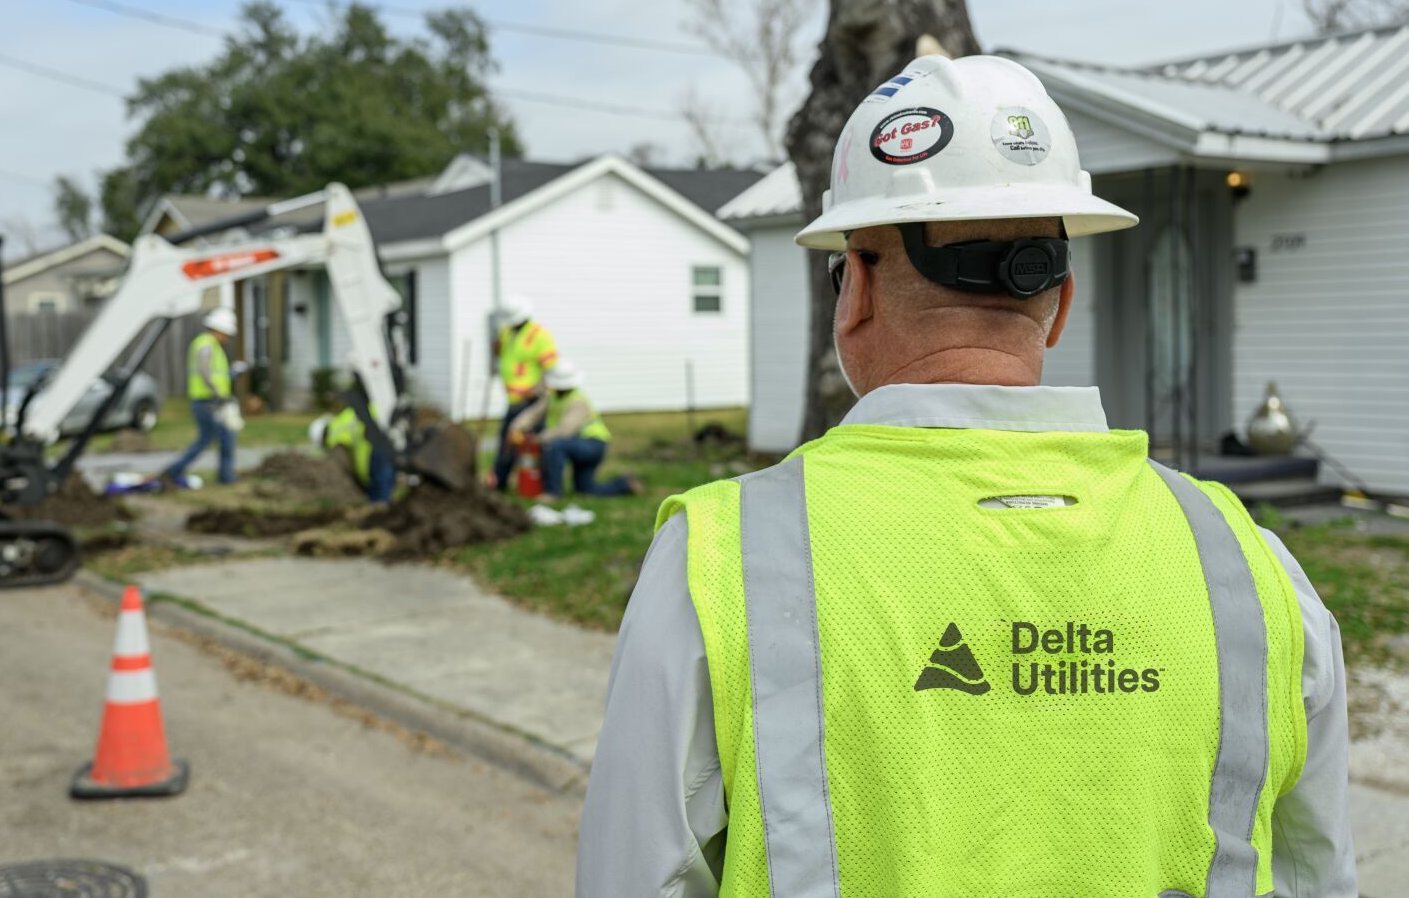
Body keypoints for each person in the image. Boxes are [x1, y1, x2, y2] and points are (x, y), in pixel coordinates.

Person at [577, 54, 1355, 896]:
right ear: (1056, 301)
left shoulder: (719, 565)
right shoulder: (1250, 568)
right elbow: (1320, 875)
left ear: (857, 290)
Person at [507, 360, 639, 500]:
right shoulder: (552, 398)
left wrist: (537, 439)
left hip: (592, 444)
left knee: (555, 446)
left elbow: (564, 431)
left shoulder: (578, 401)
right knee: (586, 489)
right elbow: (533, 414)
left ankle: (553, 493)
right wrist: (515, 427)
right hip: (578, 444)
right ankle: (624, 484)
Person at [164, 307, 239, 488]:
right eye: (226, 333)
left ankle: (225, 476)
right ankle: (174, 471)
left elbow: (216, 374)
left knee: (223, 437)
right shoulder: (206, 344)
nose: (227, 337)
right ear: (219, 329)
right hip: (207, 401)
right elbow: (205, 371)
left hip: (212, 400)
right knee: (211, 438)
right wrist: (218, 394)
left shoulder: (212, 346)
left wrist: (232, 374)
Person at [491, 295, 558, 489]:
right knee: (508, 442)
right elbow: (506, 357)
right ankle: (499, 483)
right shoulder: (507, 332)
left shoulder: (539, 335)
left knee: (534, 444)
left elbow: (551, 369)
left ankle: (542, 485)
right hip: (514, 400)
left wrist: (536, 390)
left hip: (532, 401)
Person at [308, 402, 397, 504]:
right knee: (385, 492)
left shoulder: (333, 434)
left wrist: (360, 479)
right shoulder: (346, 416)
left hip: (376, 454)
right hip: (386, 440)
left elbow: (345, 461)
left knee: (380, 499)